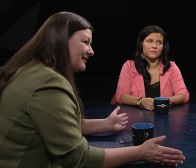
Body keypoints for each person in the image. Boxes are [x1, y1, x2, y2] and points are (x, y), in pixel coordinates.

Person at [0, 12, 185, 167]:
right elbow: (79, 158)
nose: (91, 51)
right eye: (86, 42)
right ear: (61, 40)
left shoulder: (33, 71)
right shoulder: (47, 83)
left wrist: (105, 124)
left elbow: (61, 125)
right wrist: (141, 152)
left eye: (159, 42)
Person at [115, 25, 189, 110]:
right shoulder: (129, 66)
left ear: (163, 46)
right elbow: (120, 96)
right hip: (135, 120)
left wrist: (166, 101)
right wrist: (141, 101)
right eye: (150, 41)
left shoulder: (171, 67)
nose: (154, 46)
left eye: (159, 42)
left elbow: (184, 94)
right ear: (141, 43)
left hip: (164, 119)